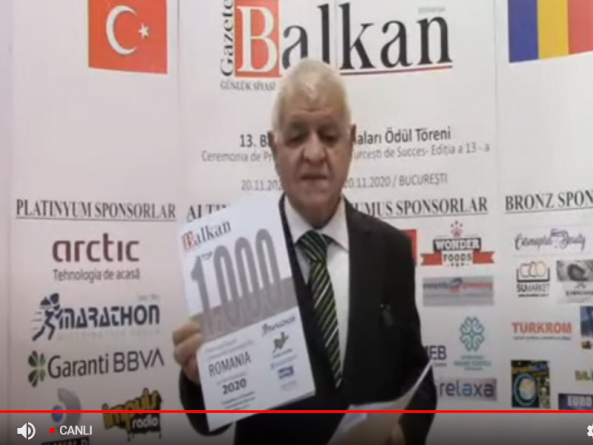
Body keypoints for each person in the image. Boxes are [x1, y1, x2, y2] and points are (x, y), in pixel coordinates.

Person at [172, 58, 437, 445]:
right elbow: (208, 421)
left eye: (329, 135)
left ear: (351, 141)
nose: (314, 154)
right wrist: (199, 379)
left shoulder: (391, 251)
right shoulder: (232, 257)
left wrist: (400, 433)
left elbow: (417, 373)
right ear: (273, 146)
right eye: (297, 136)